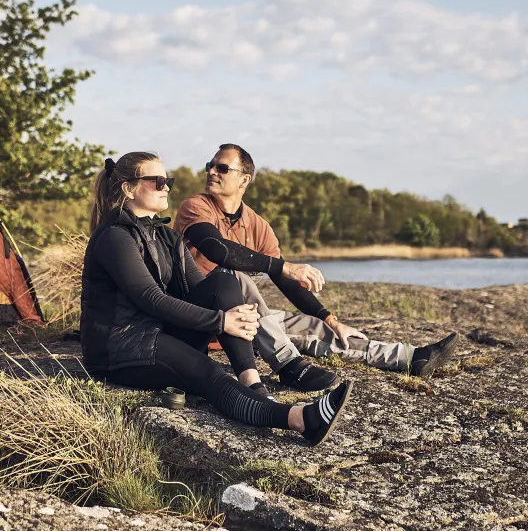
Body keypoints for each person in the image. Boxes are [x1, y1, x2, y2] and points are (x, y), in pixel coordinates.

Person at [80, 152, 356, 445]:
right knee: (207, 372)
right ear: (128, 188)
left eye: (168, 180)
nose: (167, 187)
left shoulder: (165, 236)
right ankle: (302, 418)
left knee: (224, 282)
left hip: (156, 333)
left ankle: (252, 383)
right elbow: (152, 299)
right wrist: (222, 321)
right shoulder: (115, 237)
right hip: (121, 347)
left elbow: (208, 290)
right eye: (158, 181)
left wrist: (236, 314)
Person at [173, 144, 458, 392]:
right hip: (199, 317)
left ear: (244, 179)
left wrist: (331, 319)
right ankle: (287, 363)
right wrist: (286, 267)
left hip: (245, 323)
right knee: (232, 276)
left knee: (319, 329)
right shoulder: (195, 206)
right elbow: (218, 250)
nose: (212, 172)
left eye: (222, 168)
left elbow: (284, 282)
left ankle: (409, 357)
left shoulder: (256, 224)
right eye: (210, 165)